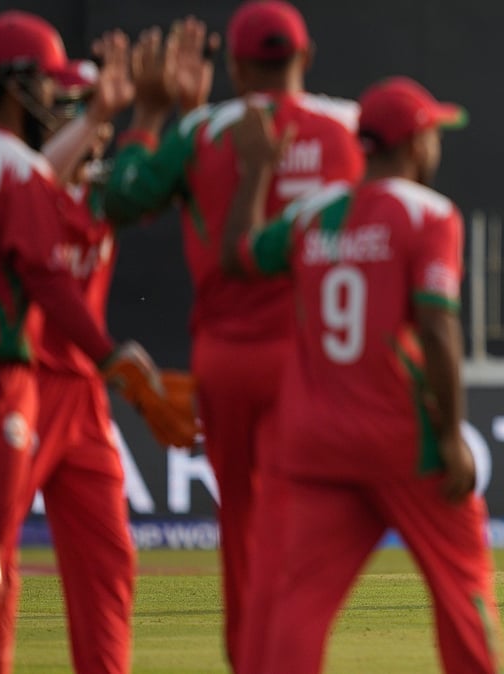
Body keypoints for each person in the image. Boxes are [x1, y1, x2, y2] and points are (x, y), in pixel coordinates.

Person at [102, 3, 364, 664]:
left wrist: (154, 117)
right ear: (305, 58)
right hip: (309, 361)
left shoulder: (199, 131)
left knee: (243, 534)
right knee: (303, 532)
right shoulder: (345, 127)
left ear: (239, 67)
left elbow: (121, 196)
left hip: (225, 360)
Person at [220, 76, 498, 674]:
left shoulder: (310, 215)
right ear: (418, 143)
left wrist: (254, 172)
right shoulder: (429, 214)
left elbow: (237, 257)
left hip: (314, 443)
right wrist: (450, 434)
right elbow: (437, 328)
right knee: (462, 591)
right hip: (402, 438)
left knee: (299, 606)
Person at [0, 12, 165, 673]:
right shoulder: (26, 174)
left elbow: (131, 185)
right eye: (70, 102)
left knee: (109, 554)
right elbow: (35, 185)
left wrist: (148, 117)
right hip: (26, 381)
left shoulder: (88, 189)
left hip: (81, 394)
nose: (85, 122)